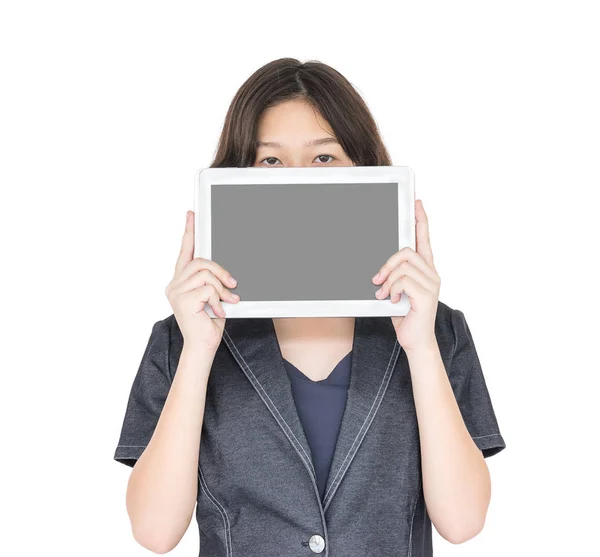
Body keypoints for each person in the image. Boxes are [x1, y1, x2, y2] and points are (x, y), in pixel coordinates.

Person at [113, 57, 506, 557]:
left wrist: (421, 344)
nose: (296, 182)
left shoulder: (437, 331)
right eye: (270, 161)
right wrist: (198, 350)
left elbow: (463, 521)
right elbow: (154, 531)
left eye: (324, 158)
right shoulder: (181, 338)